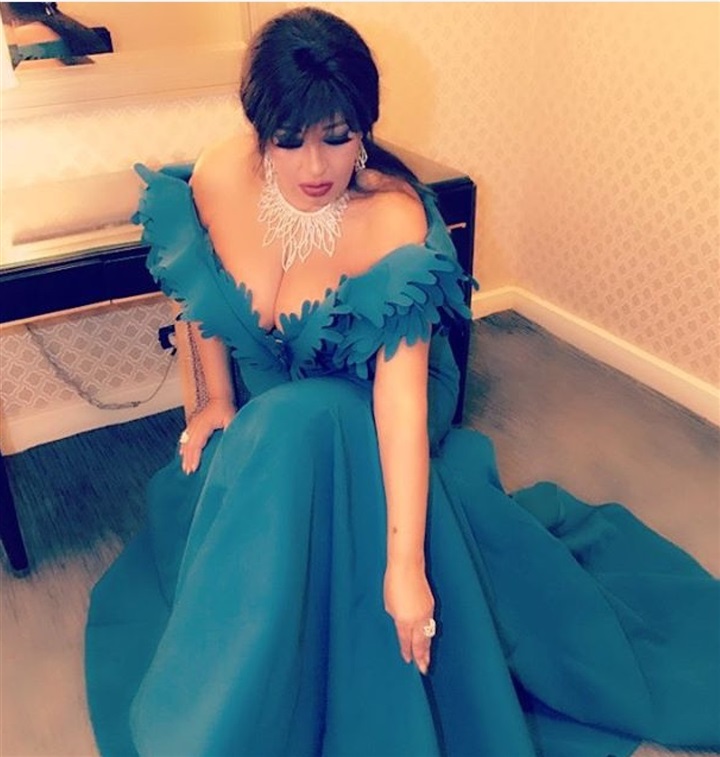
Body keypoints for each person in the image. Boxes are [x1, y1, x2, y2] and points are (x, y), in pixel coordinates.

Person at [85, 7, 719, 757]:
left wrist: (406, 567)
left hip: (375, 394)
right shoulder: (220, 175)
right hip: (272, 406)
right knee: (266, 448)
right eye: (289, 140)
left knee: (303, 424)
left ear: (364, 128)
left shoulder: (391, 216)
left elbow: (400, 396)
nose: (315, 167)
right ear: (259, 129)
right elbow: (197, 290)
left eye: (338, 136)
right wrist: (215, 399)